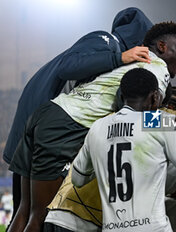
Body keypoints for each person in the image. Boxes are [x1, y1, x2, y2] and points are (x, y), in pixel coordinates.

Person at [9, 21, 176, 232]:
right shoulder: (156, 71)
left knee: (25, 209)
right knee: (39, 216)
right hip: (66, 125)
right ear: (162, 47)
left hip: (48, 112)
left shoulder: (134, 62)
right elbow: (138, 121)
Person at [4, 7, 152, 219]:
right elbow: (68, 67)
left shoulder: (112, 52)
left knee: (26, 211)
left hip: (39, 122)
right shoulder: (106, 41)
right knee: (40, 215)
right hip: (47, 127)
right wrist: (120, 57)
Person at [71, 68, 176, 232]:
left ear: (122, 96)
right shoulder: (158, 122)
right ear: (155, 97)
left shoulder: (98, 127)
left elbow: (78, 180)